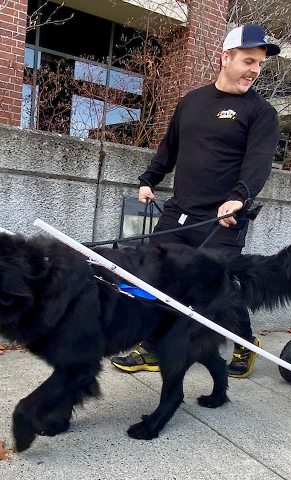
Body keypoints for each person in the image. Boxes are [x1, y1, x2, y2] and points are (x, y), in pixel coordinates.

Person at [110, 24, 281, 378]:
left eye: (260, 64)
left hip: (222, 219)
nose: (254, 70)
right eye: (248, 60)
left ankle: (245, 343)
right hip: (179, 211)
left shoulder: (261, 113)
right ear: (225, 57)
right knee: (152, 277)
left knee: (218, 287)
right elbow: (169, 147)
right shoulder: (192, 102)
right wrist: (149, 180)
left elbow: (258, 162)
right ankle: (153, 346)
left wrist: (239, 197)